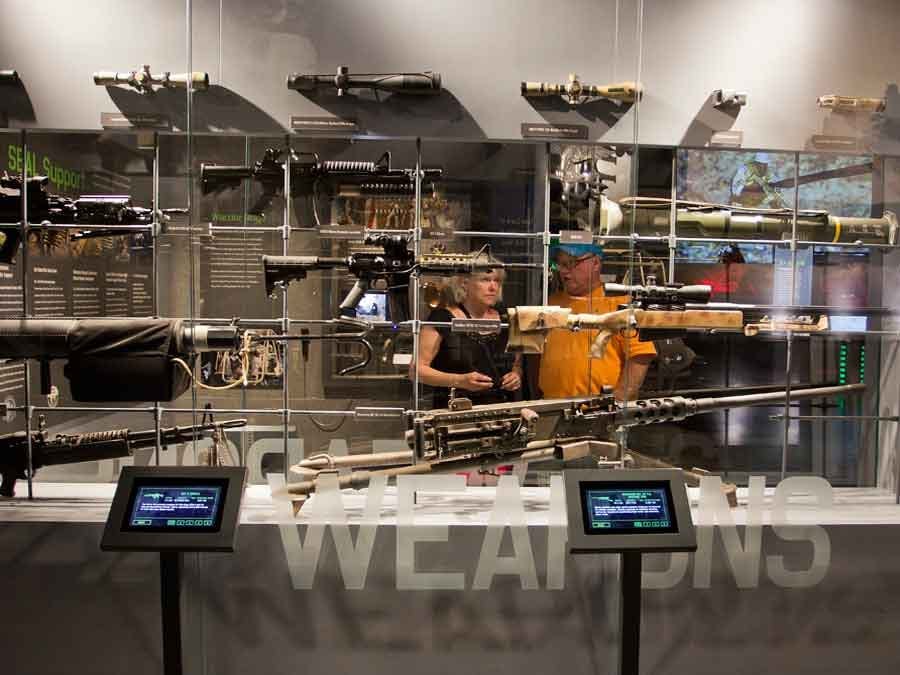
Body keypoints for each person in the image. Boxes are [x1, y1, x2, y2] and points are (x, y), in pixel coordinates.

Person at [537, 243, 655, 400]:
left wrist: (617, 403)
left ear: (595, 263)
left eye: (571, 263)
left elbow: (640, 356)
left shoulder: (620, 303)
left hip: (599, 410)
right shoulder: (550, 303)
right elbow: (535, 355)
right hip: (550, 406)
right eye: (560, 264)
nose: (563, 271)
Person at [413, 256, 522, 409]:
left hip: (503, 408)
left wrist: (516, 375)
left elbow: (517, 364)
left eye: (497, 281)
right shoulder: (442, 318)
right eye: (485, 280)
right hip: (455, 410)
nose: (493, 287)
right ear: (465, 283)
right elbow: (416, 370)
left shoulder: (507, 318)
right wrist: (459, 380)